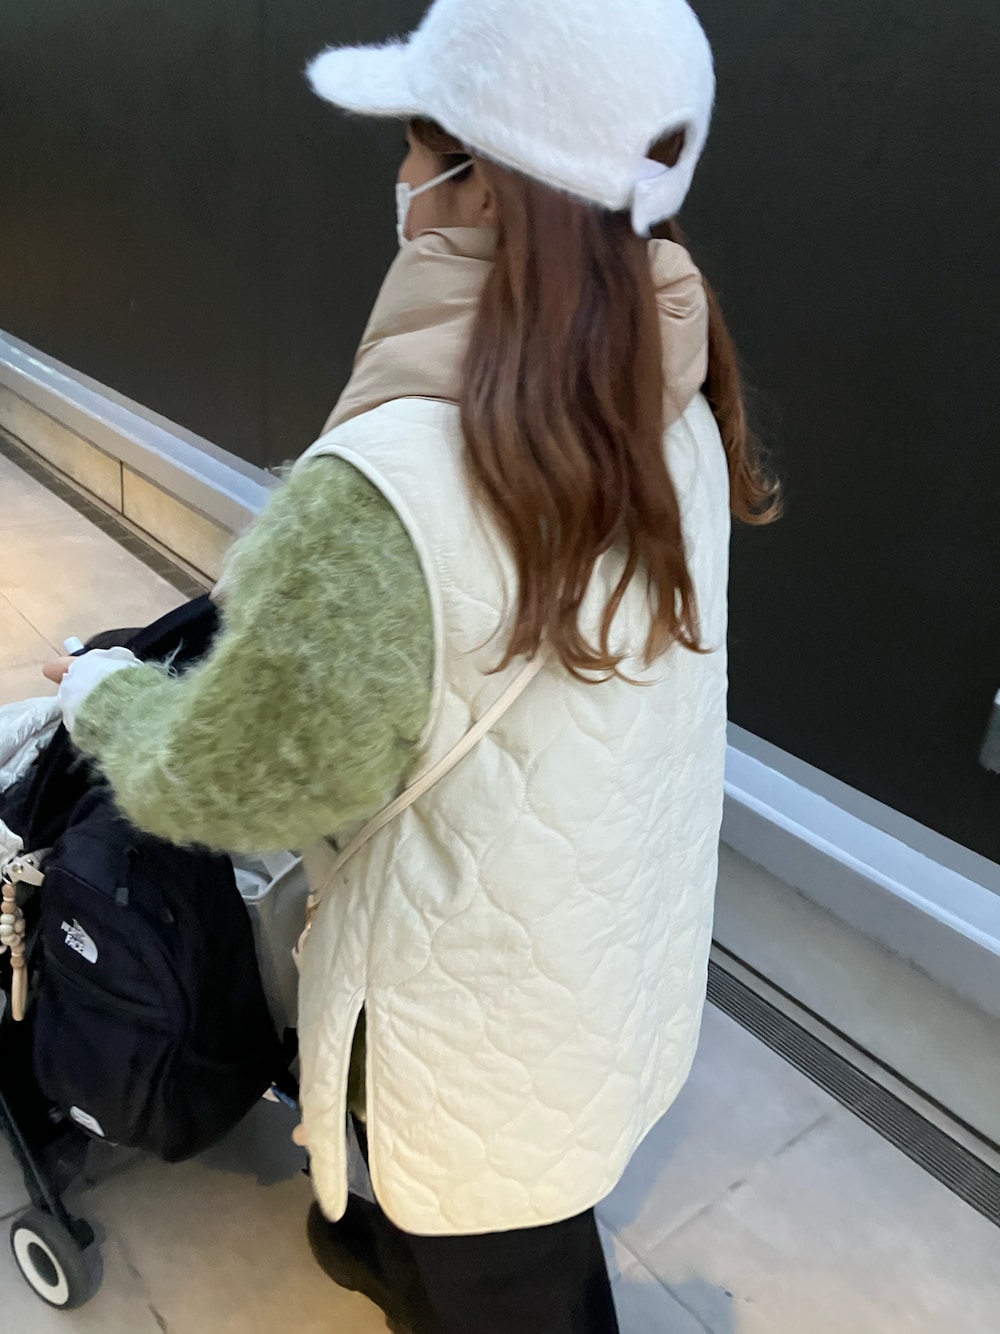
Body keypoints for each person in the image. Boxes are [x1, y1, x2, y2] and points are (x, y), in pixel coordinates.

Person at [45, 0, 778, 1328]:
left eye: (416, 143)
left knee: (517, 1267)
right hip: (604, 933)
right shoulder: (674, 383)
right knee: (502, 1180)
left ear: (481, 179)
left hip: (476, 1004)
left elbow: (238, 779)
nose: (398, 173)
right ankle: (388, 1248)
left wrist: (111, 702)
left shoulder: (395, 485)